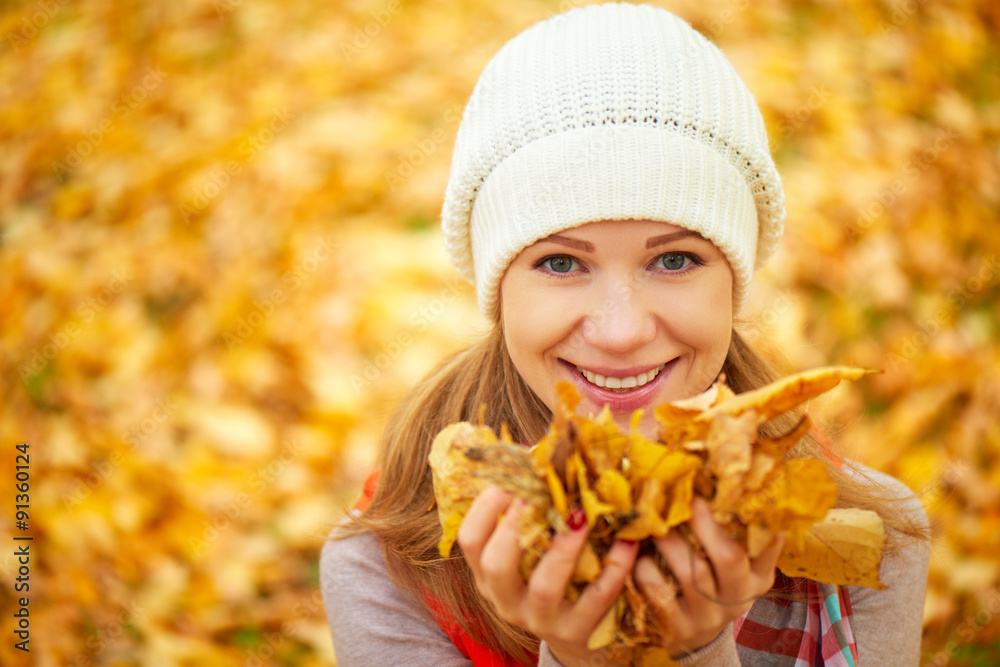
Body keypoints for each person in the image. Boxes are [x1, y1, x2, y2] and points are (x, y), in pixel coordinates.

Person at [321, 4, 930, 665]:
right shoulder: (391, 569)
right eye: (560, 262)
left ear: (734, 281)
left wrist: (697, 650)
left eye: (674, 260)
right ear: (499, 294)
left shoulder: (871, 539)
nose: (620, 330)